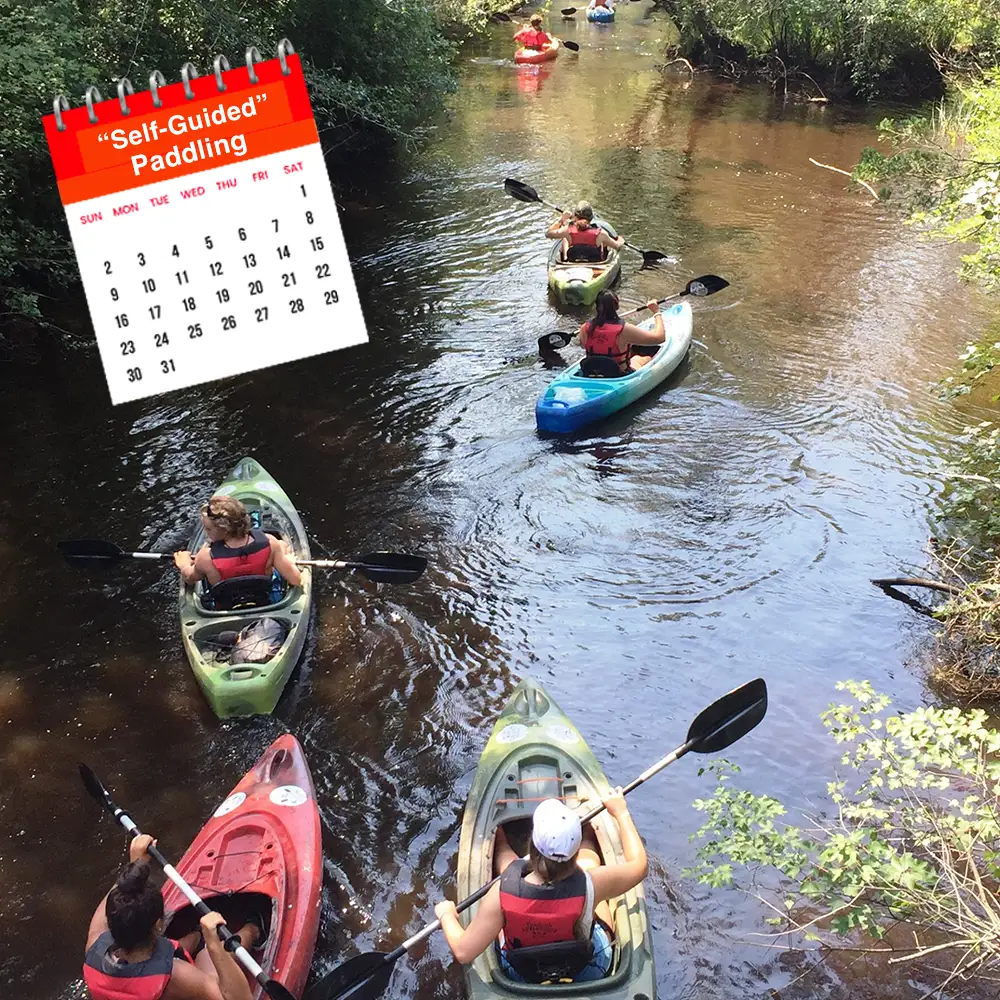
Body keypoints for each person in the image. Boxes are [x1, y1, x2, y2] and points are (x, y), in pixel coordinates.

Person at [434, 790, 647, 983]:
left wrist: (446, 916)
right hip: (586, 969)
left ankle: (500, 840)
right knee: (591, 867)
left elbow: (463, 952)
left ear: (532, 845)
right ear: (573, 853)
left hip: (523, 975)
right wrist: (621, 813)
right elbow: (639, 866)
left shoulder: (500, 893)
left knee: (508, 867)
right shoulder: (595, 882)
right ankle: (588, 839)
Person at [83, 833, 261, 1000]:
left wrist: (136, 865)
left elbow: (118, 897)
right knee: (206, 955)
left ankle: (198, 935)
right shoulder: (176, 977)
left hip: (131, 981)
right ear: (158, 925)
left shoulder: (95, 945)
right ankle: (255, 929)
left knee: (188, 941)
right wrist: (214, 945)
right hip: (173, 988)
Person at [173, 495, 301, 590]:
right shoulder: (271, 544)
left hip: (224, 610)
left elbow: (189, 578)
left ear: (224, 529)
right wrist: (288, 560)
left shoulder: (205, 557)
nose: (206, 533)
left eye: (208, 529)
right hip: (263, 601)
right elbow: (295, 580)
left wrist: (184, 564)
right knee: (282, 545)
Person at [577, 290, 666, 374]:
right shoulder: (625, 329)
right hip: (619, 374)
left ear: (596, 306)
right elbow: (660, 338)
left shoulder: (585, 328)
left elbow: (583, 345)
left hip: (591, 372)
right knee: (641, 358)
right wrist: (656, 312)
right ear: (617, 306)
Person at [545, 202, 625, 263]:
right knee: (604, 242)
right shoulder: (601, 233)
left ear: (575, 216)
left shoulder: (567, 230)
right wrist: (620, 240)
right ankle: (603, 259)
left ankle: (564, 261)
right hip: (594, 265)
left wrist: (561, 220)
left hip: (573, 263)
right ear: (591, 218)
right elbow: (617, 247)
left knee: (565, 238)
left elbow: (548, 234)